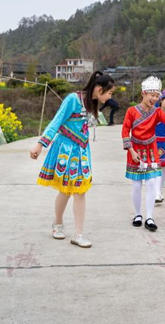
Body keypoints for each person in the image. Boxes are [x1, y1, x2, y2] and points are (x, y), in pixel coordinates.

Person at [30, 71, 115, 248]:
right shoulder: (72, 99)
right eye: (109, 93)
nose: (110, 96)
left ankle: (78, 234)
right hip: (65, 149)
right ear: (99, 89)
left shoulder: (93, 103)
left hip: (82, 151)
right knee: (65, 190)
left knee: (80, 190)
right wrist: (40, 144)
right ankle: (58, 223)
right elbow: (56, 121)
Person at [122, 76, 165, 231]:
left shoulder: (157, 112)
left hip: (151, 151)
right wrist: (131, 150)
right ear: (143, 93)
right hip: (136, 151)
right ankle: (138, 214)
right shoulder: (131, 111)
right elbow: (125, 131)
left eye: (156, 96)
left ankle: (149, 217)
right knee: (136, 185)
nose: (154, 99)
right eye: (151, 95)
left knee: (152, 183)